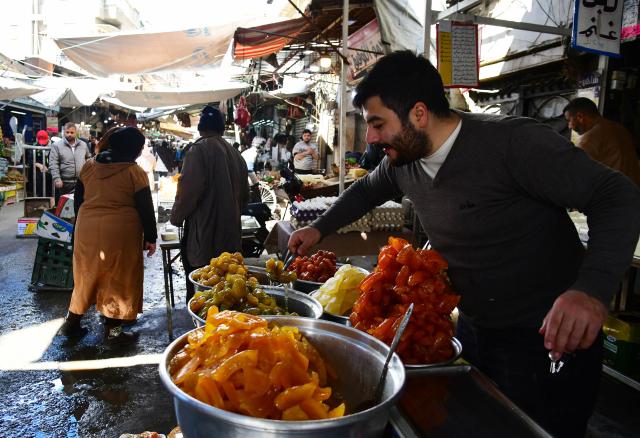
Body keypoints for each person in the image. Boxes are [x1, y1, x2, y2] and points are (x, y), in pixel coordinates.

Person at [288, 51, 640, 438]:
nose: (370, 137)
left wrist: (590, 291)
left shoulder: (512, 144)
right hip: (473, 327)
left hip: (546, 336)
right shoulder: (403, 161)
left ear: (418, 114)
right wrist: (318, 228)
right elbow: (365, 191)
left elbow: (617, 196)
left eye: (377, 124)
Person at [58, 127, 157, 344]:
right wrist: (151, 236)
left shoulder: (89, 166)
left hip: (87, 227)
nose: (140, 152)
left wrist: (81, 227)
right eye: (139, 148)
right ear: (132, 149)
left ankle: (71, 323)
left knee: (85, 276)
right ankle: (113, 331)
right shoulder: (135, 172)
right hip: (121, 232)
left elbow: (79, 201)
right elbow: (146, 208)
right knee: (118, 278)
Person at [171, 106, 250, 304]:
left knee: (203, 292)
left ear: (201, 128)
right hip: (231, 237)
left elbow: (187, 192)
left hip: (204, 238)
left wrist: (176, 217)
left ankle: (200, 330)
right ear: (222, 129)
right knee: (227, 294)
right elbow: (246, 198)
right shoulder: (236, 155)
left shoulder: (198, 150)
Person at [564, 97, 640, 185]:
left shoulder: (590, 138)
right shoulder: (619, 128)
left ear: (580, 117)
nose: (569, 126)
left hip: (615, 194)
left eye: (569, 120)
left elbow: (575, 174)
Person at [49, 122, 91, 204]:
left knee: (79, 205)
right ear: (64, 132)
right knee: (63, 207)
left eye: (72, 132)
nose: (69, 134)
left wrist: (88, 176)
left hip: (81, 182)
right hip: (64, 183)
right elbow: (53, 163)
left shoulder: (83, 145)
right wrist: (57, 179)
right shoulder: (57, 145)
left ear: (76, 133)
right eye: (67, 132)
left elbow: (88, 159)